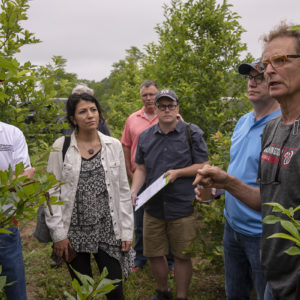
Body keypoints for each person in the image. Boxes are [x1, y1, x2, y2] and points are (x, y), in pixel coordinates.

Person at [194, 22, 300, 300]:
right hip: (244, 235)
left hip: (268, 243)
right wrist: (222, 185)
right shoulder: (264, 128)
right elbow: (269, 195)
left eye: (280, 61)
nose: (264, 73)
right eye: (266, 64)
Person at [46, 92, 134, 300]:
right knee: (83, 293)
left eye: (93, 110)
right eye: (82, 112)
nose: (90, 115)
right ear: (72, 119)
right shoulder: (61, 147)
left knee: (114, 289)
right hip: (73, 233)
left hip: (108, 230)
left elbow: (123, 190)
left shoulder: (113, 145)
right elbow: (51, 192)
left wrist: (127, 230)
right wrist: (59, 235)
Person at [212, 61, 281, 299]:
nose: (252, 82)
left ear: (273, 80)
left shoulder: (282, 126)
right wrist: (217, 189)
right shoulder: (242, 121)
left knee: (266, 295)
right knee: (235, 294)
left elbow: (277, 192)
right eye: (249, 77)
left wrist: (226, 182)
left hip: (262, 235)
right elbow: (240, 170)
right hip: (232, 228)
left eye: (259, 77)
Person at [131, 89, 209, 300]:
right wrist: (134, 190)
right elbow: (141, 168)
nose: (166, 110)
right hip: (153, 205)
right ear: (155, 109)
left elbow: (203, 165)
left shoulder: (191, 133)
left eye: (170, 106)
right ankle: (163, 291)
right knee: (154, 252)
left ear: (177, 108)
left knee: (182, 255)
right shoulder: (145, 136)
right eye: (161, 106)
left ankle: (181, 296)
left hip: (182, 204)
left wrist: (179, 173)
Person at [121, 80, 174, 272]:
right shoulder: (132, 119)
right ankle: (139, 258)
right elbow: (126, 145)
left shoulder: (172, 115)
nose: (149, 98)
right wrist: (129, 169)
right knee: (140, 219)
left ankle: (170, 260)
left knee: (168, 219)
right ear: (141, 96)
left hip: (165, 178)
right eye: (145, 95)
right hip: (140, 177)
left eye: (152, 94)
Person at [0, 121, 34, 300]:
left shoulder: (11, 133)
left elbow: (26, 176)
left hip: (6, 220)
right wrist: (9, 183)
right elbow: (17, 179)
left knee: (13, 281)